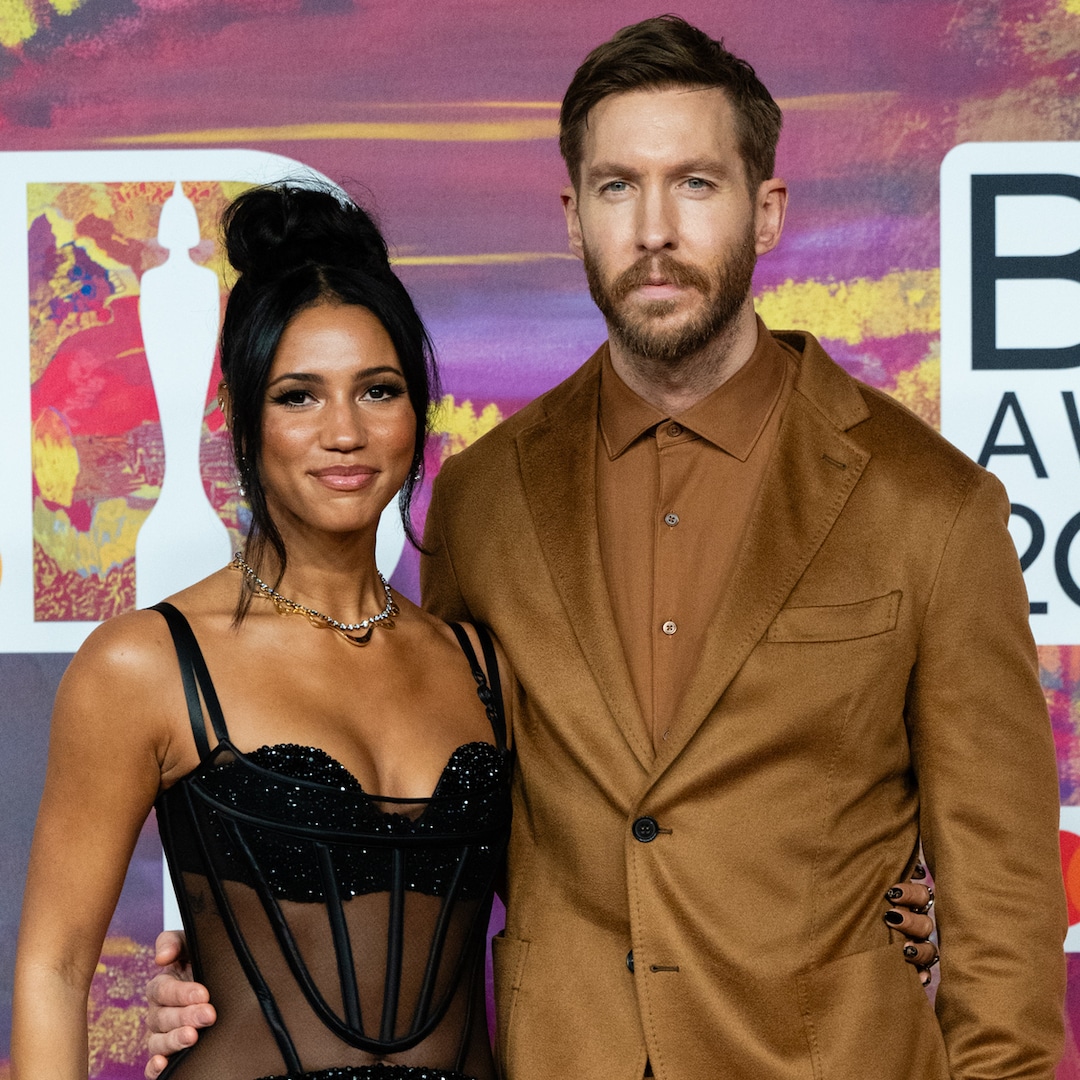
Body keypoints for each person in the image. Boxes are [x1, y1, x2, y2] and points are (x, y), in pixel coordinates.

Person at [147, 16, 1065, 1079]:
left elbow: (1003, 896)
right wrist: (247, 946)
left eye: (696, 184)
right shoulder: (484, 498)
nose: (655, 230)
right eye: (619, 187)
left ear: (767, 211)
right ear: (574, 217)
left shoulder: (931, 504)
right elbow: (432, 810)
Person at [12, 182, 513, 1080]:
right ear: (242, 418)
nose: (345, 432)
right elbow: (54, 972)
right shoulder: (147, 664)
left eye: (379, 390)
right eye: (298, 396)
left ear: (418, 414)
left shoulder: (481, 668)